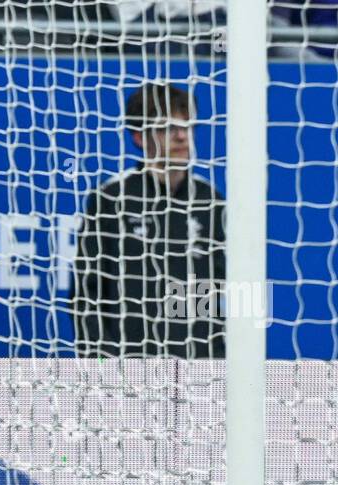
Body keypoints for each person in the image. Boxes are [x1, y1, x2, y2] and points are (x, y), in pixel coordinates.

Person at [72, 81, 226, 359]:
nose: (182, 137)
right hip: (128, 368)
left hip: (201, 368)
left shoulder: (210, 199)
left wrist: (217, 356)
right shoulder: (112, 197)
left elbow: (223, 288)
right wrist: (102, 363)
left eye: (188, 126)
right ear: (139, 137)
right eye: (168, 128)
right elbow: (86, 291)